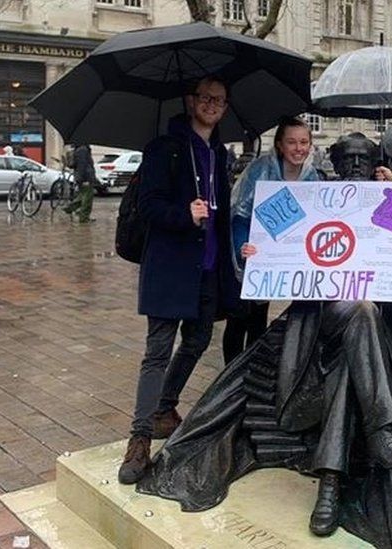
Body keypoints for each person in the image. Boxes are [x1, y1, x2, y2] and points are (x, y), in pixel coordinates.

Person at [137, 133, 392, 548]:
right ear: (333, 162)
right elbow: (273, 247)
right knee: (358, 313)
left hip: (376, 321)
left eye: (362, 159)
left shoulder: (391, 200)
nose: (353, 167)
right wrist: (254, 252)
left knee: (356, 344)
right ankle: (385, 430)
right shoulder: (315, 198)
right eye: (346, 159)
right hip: (319, 318)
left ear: (374, 162)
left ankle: (330, 483)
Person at [117, 76, 240, 485]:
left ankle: (164, 408)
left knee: (199, 339)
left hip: (207, 269)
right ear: (191, 101)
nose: (211, 105)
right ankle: (139, 440)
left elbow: (222, 217)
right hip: (169, 267)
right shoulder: (164, 149)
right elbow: (149, 206)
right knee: (157, 351)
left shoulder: (219, 154)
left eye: (218, 100)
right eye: (205, 97)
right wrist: (183, 214)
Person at [222, 117, 321, 364]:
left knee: (258, 320)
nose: (299, 148)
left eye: (303, 142)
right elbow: (239, 215)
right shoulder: (258, 171)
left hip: (279, 261)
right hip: (252, 257)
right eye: (292, 142)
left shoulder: (312, 177)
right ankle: (229, 374)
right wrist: (241, 247)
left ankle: (249, 375)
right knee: (238, 320)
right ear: (279, 145)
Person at [63, 143, 97, 223]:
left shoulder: (79, 150)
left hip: (82, 177)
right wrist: (83, 179)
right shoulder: (83, 150)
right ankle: (84, 218)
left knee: (82, 196)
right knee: (87, 198)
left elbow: (75, 165)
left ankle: (70, 208)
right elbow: (82, 166)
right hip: (86, 178)